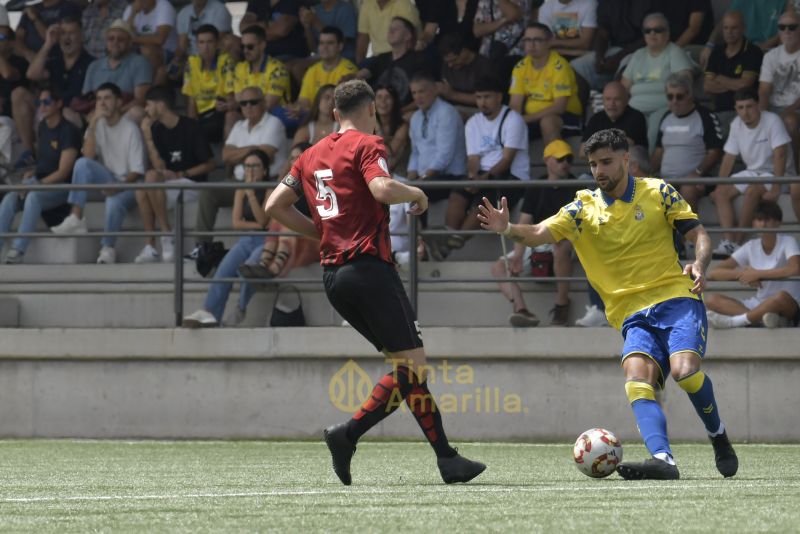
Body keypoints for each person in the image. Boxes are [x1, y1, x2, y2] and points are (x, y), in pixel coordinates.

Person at [477, 128, 738, 480]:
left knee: (684, 371)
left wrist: (700, 263)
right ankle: (663, 460)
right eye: (593, 164)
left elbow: (699, 234)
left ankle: (718, 436)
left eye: (606, 162)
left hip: (676, 298)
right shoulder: (581, 209)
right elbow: (538, 233)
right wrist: (507, 229)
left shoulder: (658, 192)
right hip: (631, 315)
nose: (598, 170)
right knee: (636, 380)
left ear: (626, 160)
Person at [265, 79, 486, 486]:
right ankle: (347, 435)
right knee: (412, 366)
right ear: (372, 109)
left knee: (407, 367)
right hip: (369, 269)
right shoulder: (369, 144)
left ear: (334, 114)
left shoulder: (310, 154)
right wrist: (417, 194)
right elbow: (382, 188)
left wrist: (321, 232)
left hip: (333, 278)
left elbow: (273, 205)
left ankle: (446, 458)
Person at [50, 82, 146, 265]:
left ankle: (108, 248)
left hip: (130, 184)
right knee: (82, 163)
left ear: (118, 102)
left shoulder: (130, 129)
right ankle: (76, 217)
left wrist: (118, 187)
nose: (102, 103)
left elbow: (137, 170)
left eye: (107, 98)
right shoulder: (98, 125)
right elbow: (87, 155)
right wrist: (93, 122)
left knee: (113, 200)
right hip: (109, 179)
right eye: (99, 99)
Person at [436, 75, 529, 261]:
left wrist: (482, 180)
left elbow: (507, 160)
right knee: (457, 194)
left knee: (483, 202)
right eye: (478, 97)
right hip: (482, 175)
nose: (482, 102)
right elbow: (473, 158)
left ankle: (451, 242)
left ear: (499, 97)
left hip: (511, 178)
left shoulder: (513, 120)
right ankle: (449, 237)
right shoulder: (473, 122)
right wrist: (472, 178)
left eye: (487, 97)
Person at [490, 139, 579, 327]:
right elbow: (524, 223)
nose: (565, 164)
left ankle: (562, 305)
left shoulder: (577, 187)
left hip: (570, 242)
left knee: (561, 246)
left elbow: (580, 228)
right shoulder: (536, 186)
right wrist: (518, 255)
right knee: (499, 267)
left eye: (569, 160)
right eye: (560, 159)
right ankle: (522, 311)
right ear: (547, 160)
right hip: (539, 238)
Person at [183, 149, 273, 328]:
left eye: (255, 166)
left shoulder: (271, 188)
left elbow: (264, 220)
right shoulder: (241, 188)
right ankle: (210, 313)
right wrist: (258, 225)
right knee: (224, 270)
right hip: (248, 239)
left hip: (266, 240)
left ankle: (240, 308)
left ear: (264, 170)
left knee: (250, 267)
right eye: (247, 166)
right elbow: (237, 223)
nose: (250, 170)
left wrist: (251, 195)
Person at [134, 86, 215, 263]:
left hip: (194, 184)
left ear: (160, 105)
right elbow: (160, 167)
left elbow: (210, 164)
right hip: (171, 185)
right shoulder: (156, 129)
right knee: (142, 189)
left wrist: (181, 174)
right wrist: (148, 137)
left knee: (149, 179)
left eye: (148, 105)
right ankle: (151, 246)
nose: (146, 110)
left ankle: (165, 234)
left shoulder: (191, 126)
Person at [0, 87, 80, 264]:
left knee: (33, 197)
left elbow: (63, 173)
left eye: (46, 102)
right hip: (41, 181)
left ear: (58, 104)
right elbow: (44, 163)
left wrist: (34, 184)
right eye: (38, 103)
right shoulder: (43, 126)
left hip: (63, 188)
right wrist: (32, 173)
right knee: (10, 198)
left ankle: (18, 250)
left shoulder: (68, 131)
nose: (41, 107)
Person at [710, 89, 792, 259]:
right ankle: (729, 242)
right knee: (719, 193)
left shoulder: (772, 120)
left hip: (777, 173)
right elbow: (728, 158)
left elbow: (781, 154)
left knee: (753, 191)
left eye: (749, 106)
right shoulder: (736, 124)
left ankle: (738, 243)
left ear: (758, 106)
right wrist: (720, 185)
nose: (745, 112)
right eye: (740, 108)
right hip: (753, 172)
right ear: (735, 108)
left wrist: (776, 188)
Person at [706, 200, 800, 329]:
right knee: (712, 300)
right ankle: (763, 320)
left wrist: (757, 274)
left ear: (778, 223)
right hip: (760, 303)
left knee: (779, 297)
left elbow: (795, 268)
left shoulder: (788, 241)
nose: (763, 224)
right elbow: (714, 272)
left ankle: (736, 322)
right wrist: (743, 274)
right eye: (759, 220)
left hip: (788, 303)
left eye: (767, 220)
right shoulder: (751, 246)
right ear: (754, 223)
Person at [621, 12, 694, 151]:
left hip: (664, 106)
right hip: (635, 107)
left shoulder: (675, 52)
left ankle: (650, 169)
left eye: (658, 30)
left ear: (667, 32)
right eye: (648, 30)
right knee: (625, 135)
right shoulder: (638, 55)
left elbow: (686, 82)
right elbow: (623, 87)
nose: (652, 33)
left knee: (653, 133)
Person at [651, 73, 724, 213]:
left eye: (679, 96)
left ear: (690, 95)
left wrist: (697, 172)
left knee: (688, 189)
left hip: (695, 179)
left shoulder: (706, 116)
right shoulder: (666, 117)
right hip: (666, 179)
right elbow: (659, 151)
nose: (674, 101)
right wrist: (649, 173)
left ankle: (690, 234)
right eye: (670, 97)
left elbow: (715, 152)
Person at [509, 22, 583, 144]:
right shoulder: (520, 67)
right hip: (533, 118)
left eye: (537, 40)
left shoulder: (560, 65)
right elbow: (515, 104)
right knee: (508, 127)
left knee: (547, 122)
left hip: (566, 117)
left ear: (549, 42)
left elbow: (559, 107)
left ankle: (556, 161)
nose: (531, 45)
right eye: (527, 40)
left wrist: (525, 119)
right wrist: (514, 122)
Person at [26, 17, 94, 129]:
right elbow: (32, 74)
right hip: (52, 110)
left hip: (76, 115)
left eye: (71, 33)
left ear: (81, 36)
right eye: (63, 33)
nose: (67, 37)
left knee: (65, 114)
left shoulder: (91, 63)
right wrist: (48, 43)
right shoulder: (55, 61)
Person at [703, 11, 763, 129]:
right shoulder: (716, 52)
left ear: (743, 28)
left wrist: (719, 78)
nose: (729, 32)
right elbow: (707, 86)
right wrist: (734, 84)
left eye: (734, 28)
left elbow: (745, 85)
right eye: (726, 28)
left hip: (744, 112)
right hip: (718, 111)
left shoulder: (753, 52)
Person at [759, 10, 800, 174]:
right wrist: (761, 114)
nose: (787, 31)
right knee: (749, 120)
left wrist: (784, 113)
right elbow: (764, 90)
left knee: (788, 121)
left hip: (795, 109)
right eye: (782, 27)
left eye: (792, 27)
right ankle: (767, 173)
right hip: (671, 182)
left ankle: (795, 174)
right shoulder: (771, 56)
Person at [181, 24, 236, 143]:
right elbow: (191, 99)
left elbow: (230, 95)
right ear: (196, 45)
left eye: (210, 42)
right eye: (201, 42)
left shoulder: (226, 61)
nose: (206, 47)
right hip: (202, 117)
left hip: (219, 114)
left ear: (217, 44)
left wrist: (225, 105)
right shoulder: (191, 63)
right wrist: (191, 126)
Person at [296, 26, 357, 112]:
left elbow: (342, 107)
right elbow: (303, 101)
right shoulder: (312, 70)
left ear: (340, 46)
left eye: (330, 43)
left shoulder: (348, 71)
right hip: (313, 116)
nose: (324, 47)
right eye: (321, 43)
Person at [581, 81, 648, 155]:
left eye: (617, 99)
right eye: (608, 99)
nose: (612, 104)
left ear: (626, 100)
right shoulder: (596, 119)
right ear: (603, 101)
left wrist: (596, 143)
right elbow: (582, 152)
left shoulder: (636, 117)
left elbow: (625, 146)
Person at [356, 0, 421, 63]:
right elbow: (363, 37)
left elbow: (411, 39)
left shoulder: (403, 3)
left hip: (399, 57)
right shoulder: (368, 3)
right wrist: (359, 65)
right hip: (376, 58)